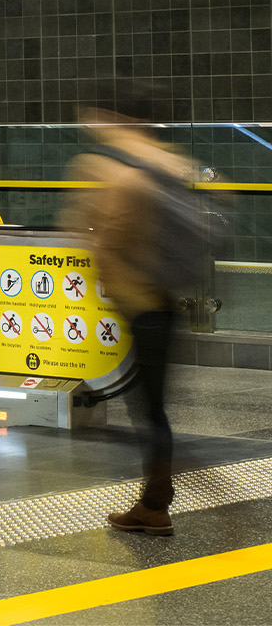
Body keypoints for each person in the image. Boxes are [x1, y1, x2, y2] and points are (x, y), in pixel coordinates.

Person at [62, 80, 200, 537]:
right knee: (153, 402)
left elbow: (106, 234)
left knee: (150, 408)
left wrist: (102, 262)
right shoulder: (172, 161)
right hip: (169, 293)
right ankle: (155, 498)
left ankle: (156, 503)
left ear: (112, 117)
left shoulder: (113, 168)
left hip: (141, 300)